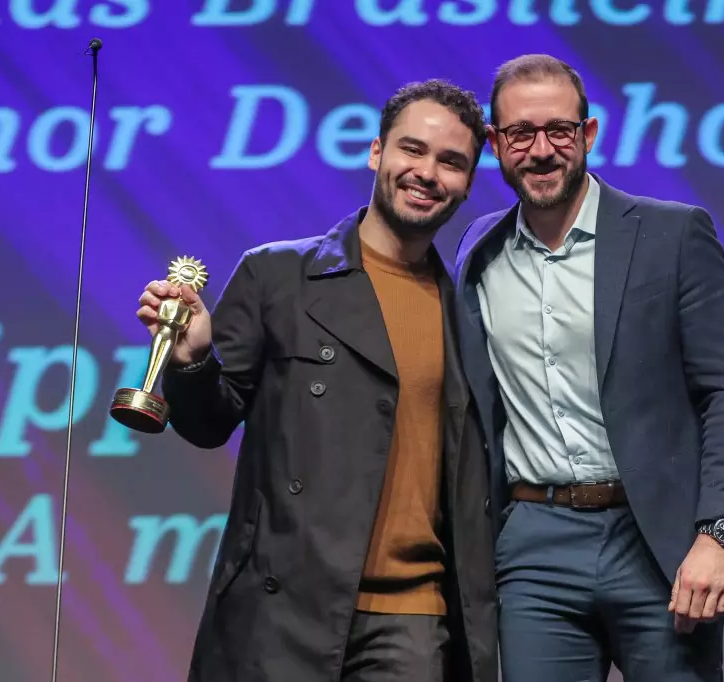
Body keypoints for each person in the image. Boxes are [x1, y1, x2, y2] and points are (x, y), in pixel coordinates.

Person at [136, 79, 498, 682]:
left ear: (467, 181)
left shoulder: (471, 309)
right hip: (283, 611)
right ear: (376, 151)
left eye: (451, 162)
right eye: (412, 150)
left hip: (413, 622)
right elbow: (207, 424)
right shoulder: (278, 274)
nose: (427, 172)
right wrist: (193, 361)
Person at [453, 54, 724, 682]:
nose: (541, 150)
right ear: (495, 144)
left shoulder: (672, 234)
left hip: (656, 542)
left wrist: (719, 534)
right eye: (520, 134)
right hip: (533, 545)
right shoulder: (476, 252)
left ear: (587, 134)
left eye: (559, 131)